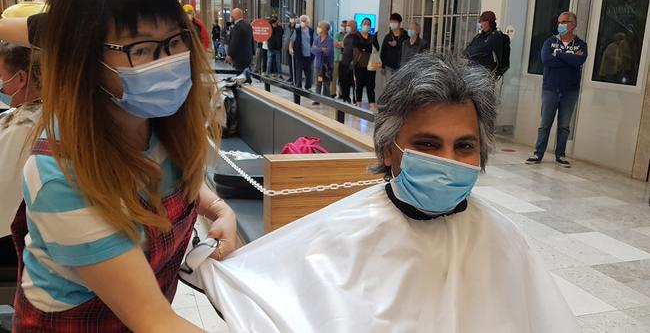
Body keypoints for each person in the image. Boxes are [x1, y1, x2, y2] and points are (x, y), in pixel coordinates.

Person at [184, 54, 580, 333]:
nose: (448, 160)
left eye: (464, 146)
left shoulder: (505, 240)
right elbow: (270, 298)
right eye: (427, 145)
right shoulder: (341, 234)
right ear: (388, 149)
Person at [10, 0, 238, 331]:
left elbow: (168, 176)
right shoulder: (61, 177)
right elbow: (154, 320)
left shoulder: (157, 124)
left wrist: (219, 209)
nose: (166, 61)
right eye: (141, 49)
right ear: (85, 61)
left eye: (175, 42)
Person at [0, 43, 42, 274]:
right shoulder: (59, 116)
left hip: (14, 240)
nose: (2, 86)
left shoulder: (24, 128)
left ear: (21, 78)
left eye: (2, 77)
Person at [526, 11, 587, 168]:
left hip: (570, 91)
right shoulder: (549, 41)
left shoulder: (581, 44)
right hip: (550, 89)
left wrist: (558, 55)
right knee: (545, 124)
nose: (561, 25)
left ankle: (560, 155)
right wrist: (568, 58)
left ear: (573, 24)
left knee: (564, 126)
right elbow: (546, 60)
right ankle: (538, 153)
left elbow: (579, 60)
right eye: (559, 22)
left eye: (564, 22)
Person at [354, 17, 380, 111]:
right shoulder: (356, 36)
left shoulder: (372, 37)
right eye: (365, 23)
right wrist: (367, 47)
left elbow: (377, 47)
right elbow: (358, 46)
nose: (366, 25)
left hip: (371, 65)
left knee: (371, 85)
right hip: (359, 64)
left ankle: (372, 104)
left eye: (368, 24)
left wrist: (366, 47)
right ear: (361, 25)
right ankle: (358, 103)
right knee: (359, 85)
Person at [311, 21, 334, 105]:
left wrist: (317, 48)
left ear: (324, 29)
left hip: (327, 65)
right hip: (318, 64)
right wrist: (321, 49)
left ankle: (326, 99)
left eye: (320, 26)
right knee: (318, 82)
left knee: (326, 83)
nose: (318, 28)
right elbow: (312, 49)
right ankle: (317, 99)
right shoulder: (317, 38)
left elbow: (328, 52)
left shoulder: (330, 39)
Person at [289, 15, 315, 90]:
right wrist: (290, 48)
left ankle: (308, 86)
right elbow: (291, 41)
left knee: (309, 72)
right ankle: (298, 86)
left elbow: (314, 41)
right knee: (299, 71)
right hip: (300, 54)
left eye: (304, 21)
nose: (302, 22)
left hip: (309, 55)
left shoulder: (311, 31)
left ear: (307, 22)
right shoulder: (297, 30)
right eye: (301, 21)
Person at [380, 13, 408, 81]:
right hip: (389, 65)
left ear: (399, 23)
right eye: (391, 22)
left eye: (394, 22)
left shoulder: (406, 36)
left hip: (401, 66)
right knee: (389, 86)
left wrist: (397, 44)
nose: (392, 23)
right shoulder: (388, 36)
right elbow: (383, 51)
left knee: (399, 86)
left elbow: (408, 49)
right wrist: (382, 66)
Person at [226, 8, 254, 72]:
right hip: (248, 56)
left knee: (240, 76)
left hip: (239, 57)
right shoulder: (248, 25)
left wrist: (230, 55)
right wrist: (252, 52)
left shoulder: (237, 27)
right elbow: (251, 39)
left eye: (232, 15)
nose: (231, 17)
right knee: (246, 75)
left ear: (235, 16)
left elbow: (234, 42)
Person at [339, 19, 360, 103]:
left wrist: (354, 61)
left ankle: (356, 99)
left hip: (352, 63)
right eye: (347, 25)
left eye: (349, 25)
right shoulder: (347, 35)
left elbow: (358, 50)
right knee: (343, 81)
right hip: (344, 61)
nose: (347, 27)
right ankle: (345, 98)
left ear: (354, 26)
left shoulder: (358, 36)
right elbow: (344, 47)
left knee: (354, 83)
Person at [332, 20, 347, 98]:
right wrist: (343, 44)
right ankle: (333, 93)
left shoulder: (349, 35)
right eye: (342, 25)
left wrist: (341, 44)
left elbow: (348, 46)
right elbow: (336, 44)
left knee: (342, 78)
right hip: (336, 58)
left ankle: (341, 93)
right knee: (334, 77)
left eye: (344, 26)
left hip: (345, 60)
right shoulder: (337, 35)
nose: (343, 27)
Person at [283, 13, 297, 84]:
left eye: (292, 18)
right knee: (290, 64)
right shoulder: (288, 27)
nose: (291, 20)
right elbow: (286, 36)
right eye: (290, 18)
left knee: (295, 64)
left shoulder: (297, 27)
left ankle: (295, 78)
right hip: (287, 48)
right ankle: (291, 77)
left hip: (294, 48)